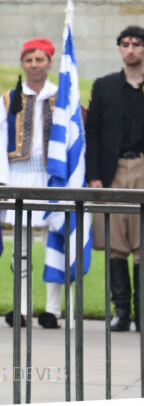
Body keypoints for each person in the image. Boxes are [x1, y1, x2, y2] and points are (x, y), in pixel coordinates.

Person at [0, 37, 65, 329]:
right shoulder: (10, 99)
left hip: (51, 178)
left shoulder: (62, 97)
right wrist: (1, 182)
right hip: (18, 176)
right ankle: (21, 306)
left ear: (49, 62)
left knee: (54, 244)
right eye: (29, 60)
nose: (34, 65)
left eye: (40, 59)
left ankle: (52, 309)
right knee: (20, 250)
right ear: (22, 63)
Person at [86, 25, 144, 332]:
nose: (131, 49)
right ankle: (121, 310)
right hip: (114, 169)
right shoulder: (105, 87)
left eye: (137, 44)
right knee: (115, 241)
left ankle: (142, 311)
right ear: (119, 49)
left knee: (142, 241)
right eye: (125, 44)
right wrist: (94, 175)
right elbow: (92, 132)